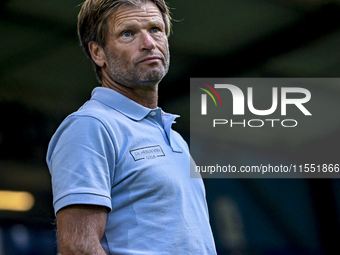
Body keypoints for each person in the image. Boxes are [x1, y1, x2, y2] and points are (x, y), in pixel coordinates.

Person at [46, 0, 217, 254]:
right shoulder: (90, 127)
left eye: (156, 30)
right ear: (98, 53)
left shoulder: (175, 138)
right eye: (128, 33)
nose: (149, 43)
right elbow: (78, 248)